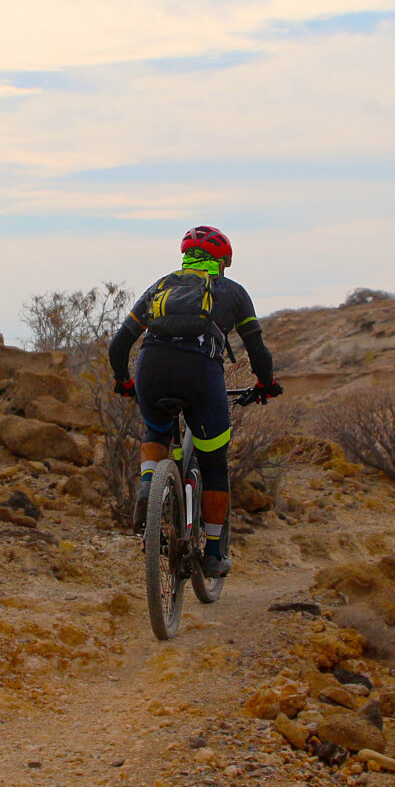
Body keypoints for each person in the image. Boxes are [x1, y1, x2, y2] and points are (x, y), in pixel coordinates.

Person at [107, 224, 281, 579]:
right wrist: (265, 383)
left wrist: (125, 382)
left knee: (155, 430)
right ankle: (214, 553)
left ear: (185, 256)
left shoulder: (161, 286)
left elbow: (118, 344)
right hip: (200, 373)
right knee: (214, 464)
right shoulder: (233, 292)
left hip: (152, 366)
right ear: (223, 261)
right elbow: (257, 349)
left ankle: (147, 487)